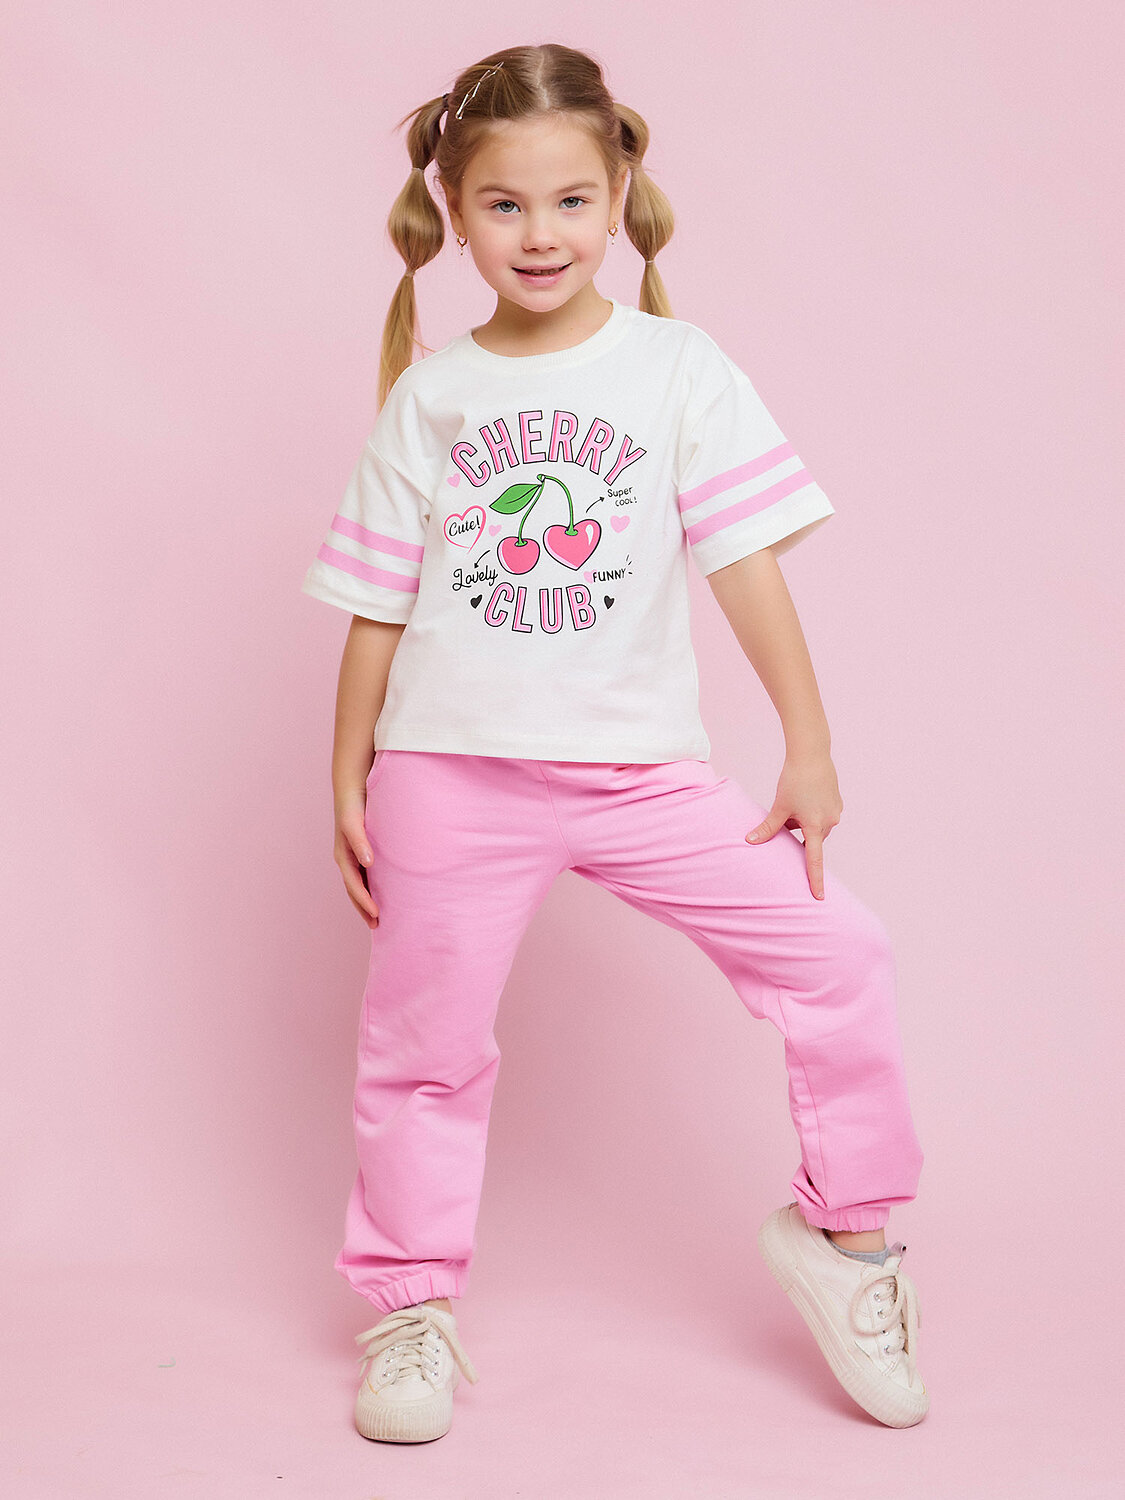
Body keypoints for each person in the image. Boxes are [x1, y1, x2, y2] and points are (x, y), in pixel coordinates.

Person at [301, 43, 928, 1444]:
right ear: (455, 213)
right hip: (449, 777)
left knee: (839, 956)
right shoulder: (430, 395)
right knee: (423, 1050)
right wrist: (347, 773)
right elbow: (378, 604)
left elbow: (744, 564)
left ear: (619, 195)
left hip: (642, 778)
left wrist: (808, 746)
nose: (541, 235)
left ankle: (846, 1241)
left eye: (571, 201)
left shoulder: (675, 367)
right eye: (506, 206)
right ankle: (409, 1306)